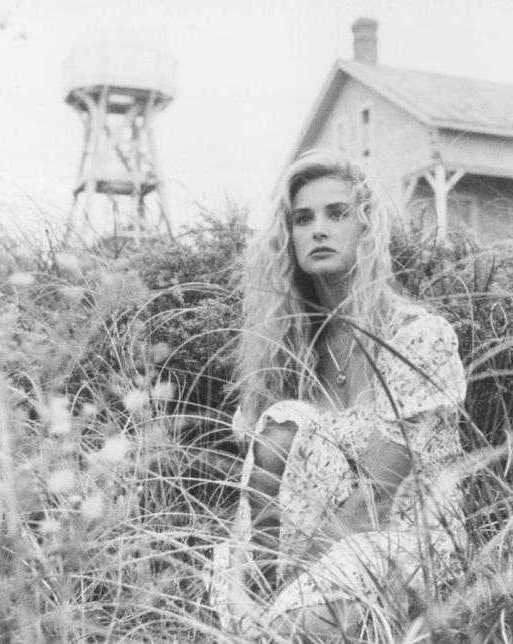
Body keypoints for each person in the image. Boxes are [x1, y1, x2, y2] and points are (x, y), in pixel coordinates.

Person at [209, 149, 467, 640]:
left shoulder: (418, 336)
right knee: (284, 418)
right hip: (300, 553)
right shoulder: (289, 351)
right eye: (303, 219)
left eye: (337, 213)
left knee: (291, 626)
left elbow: (375, 497)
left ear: (366, 226)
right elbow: (262, 502)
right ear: (288, 237)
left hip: (404, 543)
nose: (319, 230)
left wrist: (287, 594)